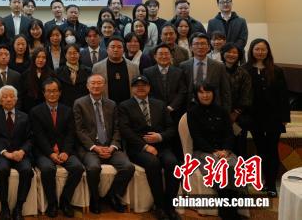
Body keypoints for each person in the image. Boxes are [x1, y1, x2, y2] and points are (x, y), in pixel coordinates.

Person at [117, 76, 179, 220]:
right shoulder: (124, 106)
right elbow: (125, 131)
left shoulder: (160, 104)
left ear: (149, 88)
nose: (140, 88)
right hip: (138, 148)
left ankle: (170, 207)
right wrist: (145, 146)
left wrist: (160, 137)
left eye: (143, 85)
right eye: (136, 85)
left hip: (162, 146)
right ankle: (159, 206)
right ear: (132, 89)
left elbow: (171, 128)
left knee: (173, 164)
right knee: (153, 163)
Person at [73, 74, 134, 214]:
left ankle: (112, 196)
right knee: (93, 168)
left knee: (128, 167)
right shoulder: (79, 103)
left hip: (110, 147)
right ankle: (95, 199)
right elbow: (79, 130)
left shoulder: (111, 104)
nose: (96, 86)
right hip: (90, 148)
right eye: (93, 83)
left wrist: (112, 146)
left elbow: (117, 128)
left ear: (104, 86)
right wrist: (95, 148)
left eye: (99, 83)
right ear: (87, 86)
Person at [186, 82, 242, 220]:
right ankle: (227, 213)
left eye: (208, 92)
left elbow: (229, 134)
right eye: (201, 92)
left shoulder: (222, 111)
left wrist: (226, 150)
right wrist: (214, 152)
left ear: (213, 93)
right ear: (196, 95)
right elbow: (197, 137)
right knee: (220, 169)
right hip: (203, 152)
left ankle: (231, 210)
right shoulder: (192, 112)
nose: (205, 95)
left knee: (235, 167)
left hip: (224, 151)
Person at [30, 77, 84, 218]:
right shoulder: (36, 111)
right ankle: (52, 204)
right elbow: (39, 136)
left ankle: (65, 201)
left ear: (60, 92)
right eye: (48, 91)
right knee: (48, 169)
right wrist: (50, 153)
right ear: (44, 93)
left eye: (55, 91)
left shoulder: (67, 110)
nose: (52, 94)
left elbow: (70, 134)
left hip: (64, 150)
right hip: (44, 152)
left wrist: (65, 151)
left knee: (77, 168)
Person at [244, 38, 290, 196]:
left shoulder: (276, 70)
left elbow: (283, 95)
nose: (260, 52)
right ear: (251, 50)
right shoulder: (245, 69)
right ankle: (264, 180)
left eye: (263, 49)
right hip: (254, 118)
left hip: (274, 118)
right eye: (257, 49)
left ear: (268, 51)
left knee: (272, 150)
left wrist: (284, 117)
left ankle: (271, 185)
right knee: (261, 150)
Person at [0, 85, 33, 220]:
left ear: (16, 99)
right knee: (2, 170)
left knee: (27, 170)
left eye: (11, 96)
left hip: (20, 154)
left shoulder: (24, 116)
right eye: (5, 97)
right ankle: (5, 207)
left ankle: (19, 207)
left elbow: (30, 138)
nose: (8, 99)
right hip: (2, 154)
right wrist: (5, 153)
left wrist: (22, 151)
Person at [179, 33, 231, 112]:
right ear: (190, 47)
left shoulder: (219, 66)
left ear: (209, 47)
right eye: (196, 44)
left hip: (214, 107)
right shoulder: (183, 66)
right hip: (190, 107)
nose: (200, 47)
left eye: (203, 44)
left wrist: (226, 112)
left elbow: (225, 91)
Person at [142, 43, 188, 122]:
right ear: (155, 57)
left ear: (171, 56)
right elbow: (148, 92)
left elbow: (182, 91)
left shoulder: (179, 72)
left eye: (166, 54)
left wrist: (172, 106)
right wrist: (159, 107)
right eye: (160, 54)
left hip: (175, 111)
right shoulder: (147, 72)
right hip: (155, 111)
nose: (164, 56)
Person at [221, 43, 251, 158]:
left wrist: (235, 113)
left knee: (239, 146)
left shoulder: (243, 73)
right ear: (223, 53)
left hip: (239, 116)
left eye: (235, 52)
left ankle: (240, 167)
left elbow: (246, 95)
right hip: (220, 114)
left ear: (239, 55)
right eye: (228, 52)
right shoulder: (217, 69)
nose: (231, 55)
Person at [92, 36, 139, 105]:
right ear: (107, 49)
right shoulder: (97, 68)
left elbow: (136, 87)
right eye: (112, 47)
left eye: (119, 47)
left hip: (129, 105)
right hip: (106, 105)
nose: (116, 49)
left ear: (124, 50)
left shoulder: (134, 67)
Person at [20, 47, 56, 112]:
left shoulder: (52, 74)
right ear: (34, 58)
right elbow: (22, 95)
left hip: (46, 108)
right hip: (29, 109)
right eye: (38, 57)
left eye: (43, 57)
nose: (41, 60)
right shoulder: (25, 74)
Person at [55, 43, 91, 109]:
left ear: (79, 54)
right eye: (69, 53)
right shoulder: (58, 72)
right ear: (65, 55)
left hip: (83, 105)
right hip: (65, 105)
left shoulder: (88, 71)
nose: (72, 56)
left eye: (75, 53)